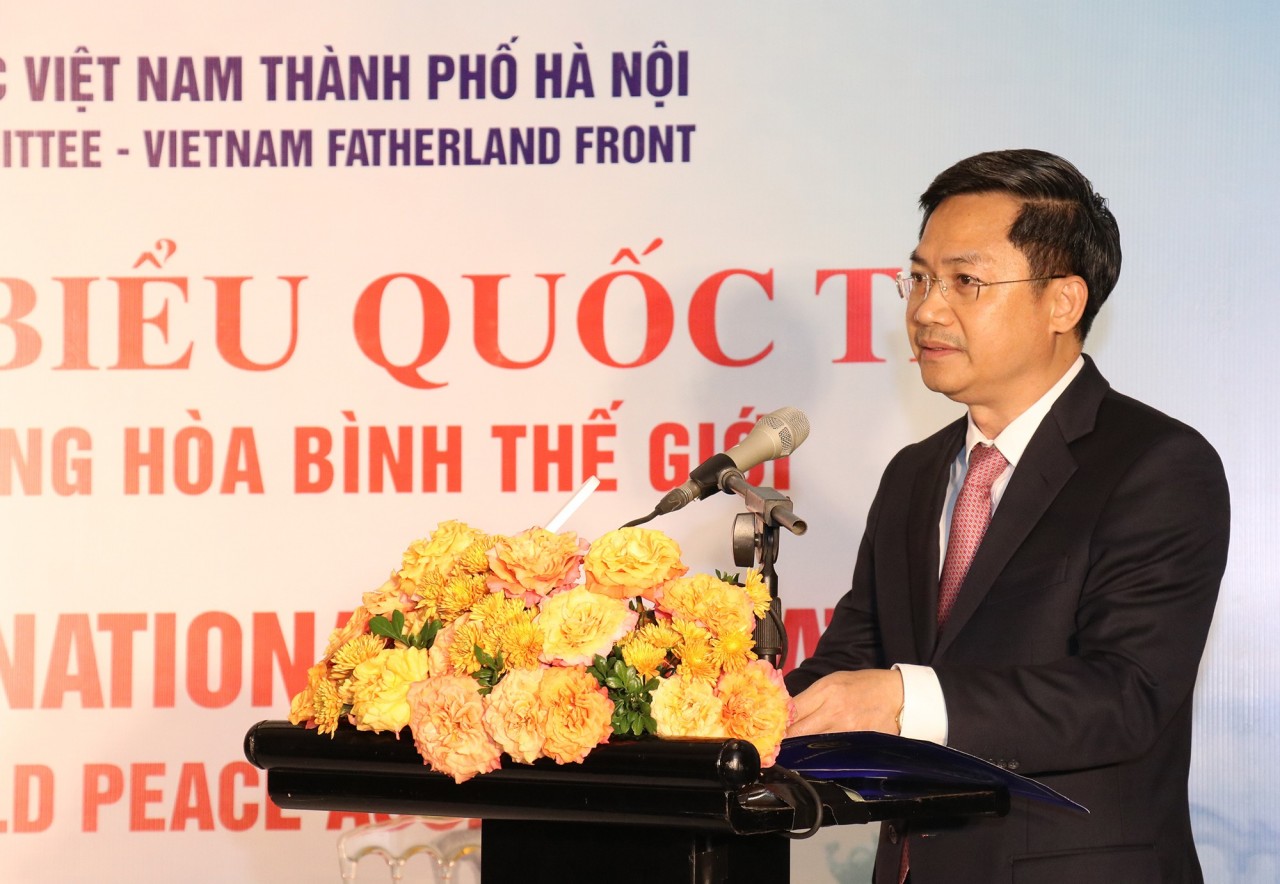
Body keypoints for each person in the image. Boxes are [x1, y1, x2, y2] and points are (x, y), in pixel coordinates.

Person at [785, 149, 1230, 884]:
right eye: (920, 278)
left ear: (1063, 302)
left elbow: (1126, 695)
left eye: (966, 282)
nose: (926, 309)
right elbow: (849, 665)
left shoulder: (1155, 465)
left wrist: (903, 697)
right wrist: (716, 704)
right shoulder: (915, 474)